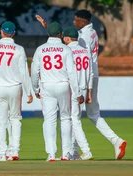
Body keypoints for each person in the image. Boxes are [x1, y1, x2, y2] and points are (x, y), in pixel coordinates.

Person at [36, 10, 127, 160]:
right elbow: (67, 38)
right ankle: (115, 141)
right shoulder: (93, 33)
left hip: (80, 79)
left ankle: (80, 151)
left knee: (73, 118)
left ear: (84, 21)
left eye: (76, 20)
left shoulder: (82, 37)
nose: (74, 22)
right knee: (92, 114)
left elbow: (68, 45)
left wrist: (51, 32)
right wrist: (49, 28)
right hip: (91, 77)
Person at [0, 21, 33, 161]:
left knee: (1, 121)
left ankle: (2, 153)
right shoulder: (19, 49)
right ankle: (14, 151)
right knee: (15, 119)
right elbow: (24, 72)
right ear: (13, 33)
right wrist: (29, 92)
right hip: (15, 87)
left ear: (1, 32)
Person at [31, 22, 84, 162]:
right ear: (60, 34)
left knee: (49, 120)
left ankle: (51, 154)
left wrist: (36, 89)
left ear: (48, 34)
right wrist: (78, 93)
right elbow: (72, 73)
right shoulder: (66, 50)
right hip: (63, 85)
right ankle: (66, 153)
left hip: (47, 86)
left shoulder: (40, 49)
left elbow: (34, 72)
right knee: (66, 118)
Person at [62, 27, 94, 160]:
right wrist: (89, 92)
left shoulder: (68, 51)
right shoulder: (86, 51)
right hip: (84, 88)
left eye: (64, 37)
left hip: (73, 88)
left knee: (73, 121)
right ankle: (73, 153)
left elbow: (68, 72)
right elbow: (90, 73)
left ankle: (86, 151)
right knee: (74, 119)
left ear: (68, 38)